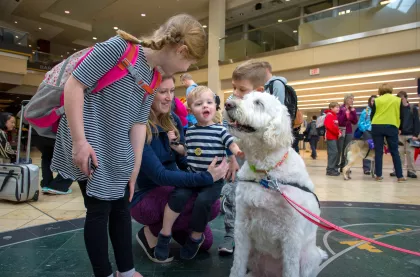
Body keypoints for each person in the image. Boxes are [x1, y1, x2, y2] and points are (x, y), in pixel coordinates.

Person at [51, 14, 207, 277]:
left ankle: (127, 270)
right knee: (99, 208)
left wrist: (134, 169)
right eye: (188, 60)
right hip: (89, 138)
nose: (185, 68)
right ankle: (104, 273)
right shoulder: (118, 48)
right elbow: (74, 85)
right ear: (180, 50)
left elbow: (137, 123)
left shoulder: (154, 77)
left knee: (122, 207)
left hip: (117, 145)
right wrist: (80, 142)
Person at [130, 76, 228, 263]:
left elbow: (184, 162)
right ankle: (150, 232)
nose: (169, 97)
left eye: (172, 91)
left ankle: (176, 227)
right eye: (162, 91)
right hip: (144, 194)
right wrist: (205, 177)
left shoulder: (173, 119)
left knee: (205, 242)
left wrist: (203, 164)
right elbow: (159, 175)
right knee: (211, 203)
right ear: (147, 94)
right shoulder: (139, 126)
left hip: (172, 185)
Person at [154, 86, 242, 261]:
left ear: (215, 106)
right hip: (192, 175)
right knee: (177, 196)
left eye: (209, 102)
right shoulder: (191, 131)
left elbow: (231, 144)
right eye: (199, 104)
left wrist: (236, 155)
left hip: (213, 181)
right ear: (190, 110)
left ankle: (195, 236)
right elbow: (186, 151)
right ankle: (164, 234)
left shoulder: (220, 130)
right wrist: (174, 145)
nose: (205, 106)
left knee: (203, 202)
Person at [219, 60, 269, 255]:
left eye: (242, 89)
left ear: (259, 90)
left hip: (259, 162)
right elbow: (225, 133)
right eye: (234, 88)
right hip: (237, 158)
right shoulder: (231, 104)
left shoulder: (266, 108)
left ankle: (257, 239)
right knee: (233, 194)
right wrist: (230, 158)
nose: (236, 93)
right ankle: (231, 234)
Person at [371, 84, 406, 182]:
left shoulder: (377, 100)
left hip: (377, 126)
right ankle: (400, 176)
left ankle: (378, 175)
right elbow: (402, 115)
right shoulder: (397, 100)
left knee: (378, 152)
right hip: (391, 126)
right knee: (395, 151)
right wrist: (400, 128)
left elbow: (372, 115)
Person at [32, 130, 73, 194]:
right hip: (56, 134)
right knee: (71, 157)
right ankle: (58, 186)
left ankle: (46, 183)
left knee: (46, 156)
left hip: (36, 133)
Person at [389, 91, 419, 178]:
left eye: (401, 99)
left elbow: (417, 122)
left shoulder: (413, 108)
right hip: (399, 135)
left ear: (406, 98)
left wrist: (416, 135)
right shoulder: (397, 109)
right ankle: (397, 170)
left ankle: (411, 171)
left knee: (410, 153)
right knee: (398, 153)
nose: (400, 101)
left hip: (410, 135)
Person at [337, 94, 358, 172]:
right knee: (340, 149)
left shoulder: (352, 109)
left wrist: (353, 112)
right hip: (341, 130)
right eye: (351, 99)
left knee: (347, 150)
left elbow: (355, 121)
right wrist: (345, 112)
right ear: (346, 99)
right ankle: (337, 166)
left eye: (353, 99)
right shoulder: (340, 108)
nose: (352, 100)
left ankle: (345, 166)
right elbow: (340, 121)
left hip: (349, 131)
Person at [358, 95, 377, 175]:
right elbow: (360, 122)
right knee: (367, 149)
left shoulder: (380, 110)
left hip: (377, 132)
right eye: (372, 101)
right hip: (368, 132)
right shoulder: (365, 111)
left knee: (377, 150)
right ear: (370, 102)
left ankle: (377, 169)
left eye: (375, 101)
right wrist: (364, 130)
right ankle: (366, 168)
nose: (374, 102)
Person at [324, 102, 341, 176]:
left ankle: (332, 168)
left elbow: (336, 126)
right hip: (331, 137)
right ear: (331, 108)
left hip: (334, 137)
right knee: (333, 153)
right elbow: (330, 126)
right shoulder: (329, 115)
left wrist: (339, 131)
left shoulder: (334, 116)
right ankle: (330, 169)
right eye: (336, 107)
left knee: (334, 153)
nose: (338, 108)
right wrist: (338, 132)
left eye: (338, 107)